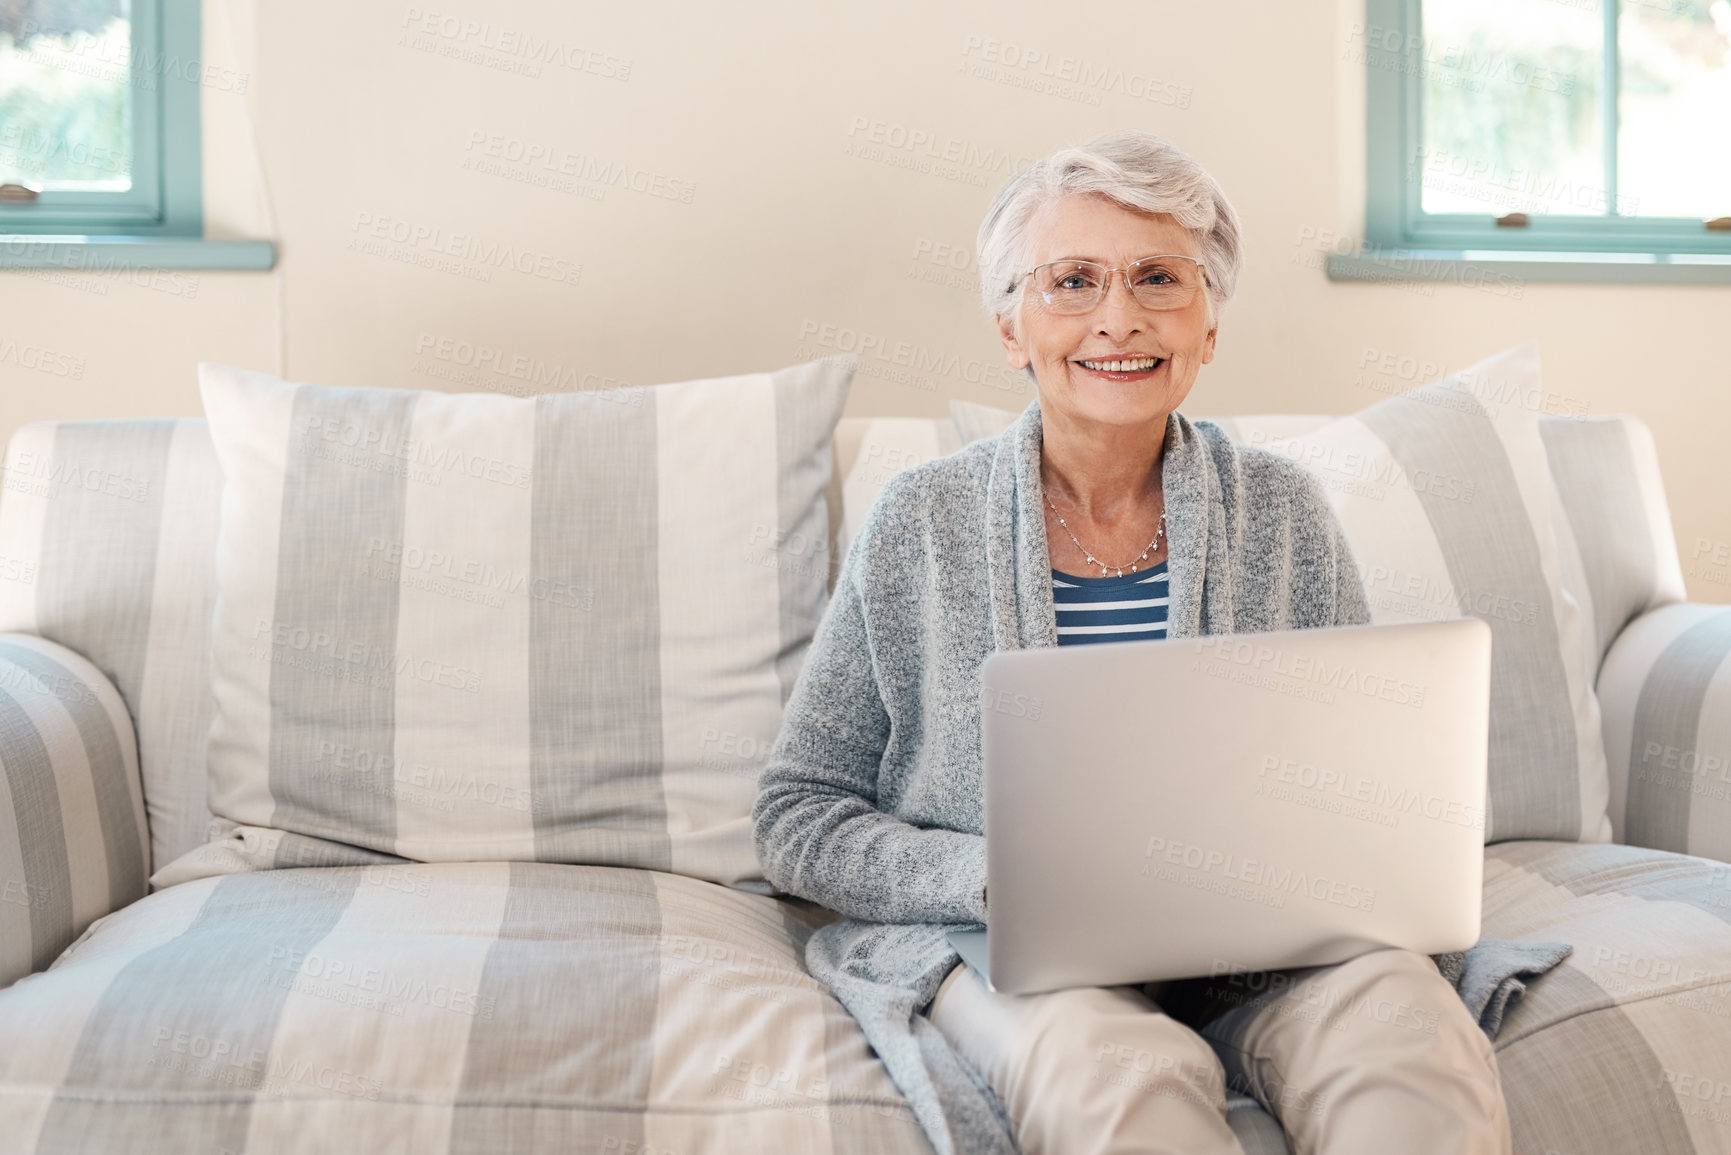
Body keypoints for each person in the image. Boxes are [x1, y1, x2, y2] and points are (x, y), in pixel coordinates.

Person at [753, 130, 1510, 1155]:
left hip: (1268, 948)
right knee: (1123, 1085)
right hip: (1009, 951)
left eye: (1160, 278)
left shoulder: (1285, 513)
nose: (1119, 318)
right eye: (1072, 281)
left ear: (1207, 325)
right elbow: (799, 815)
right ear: (1012, 328)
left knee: (1409, 1042)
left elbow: (1363, 781)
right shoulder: (920, 522)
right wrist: (986, 875)